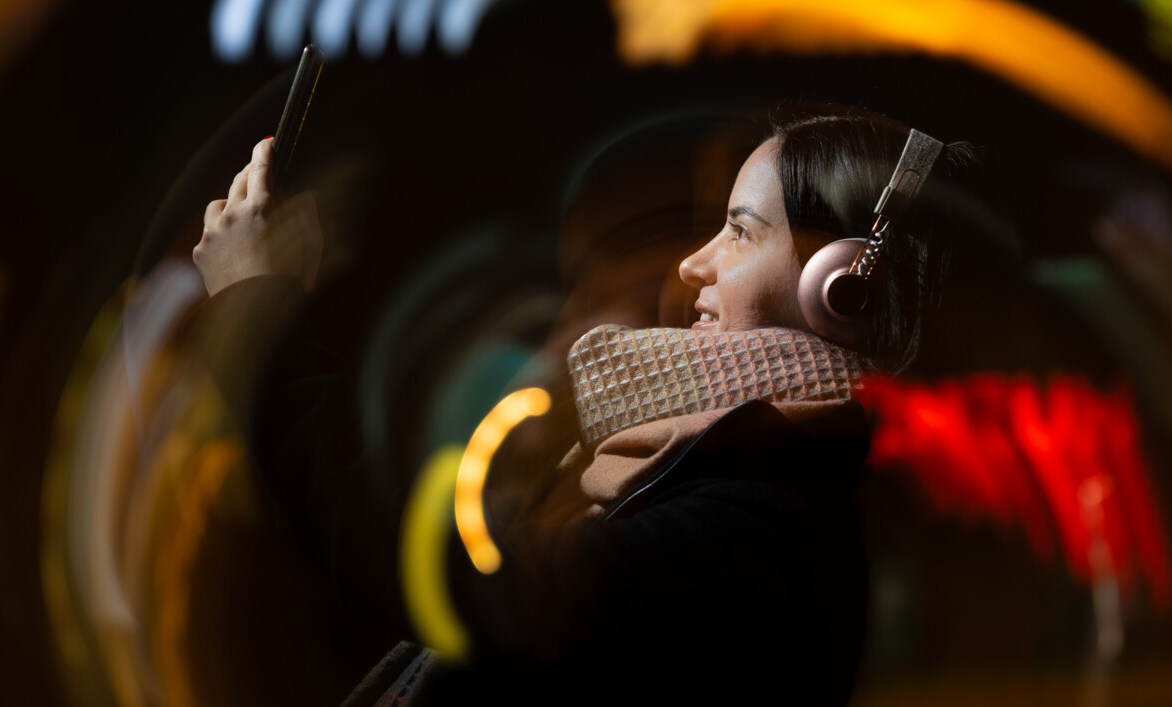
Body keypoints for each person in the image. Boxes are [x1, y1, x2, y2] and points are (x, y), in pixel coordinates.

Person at [192, 108, 973, 705]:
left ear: (840, 288)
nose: (692, 262)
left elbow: (456, 583)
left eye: (739, 231)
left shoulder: (758, 532)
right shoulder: (728, 484)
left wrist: (260, 317)